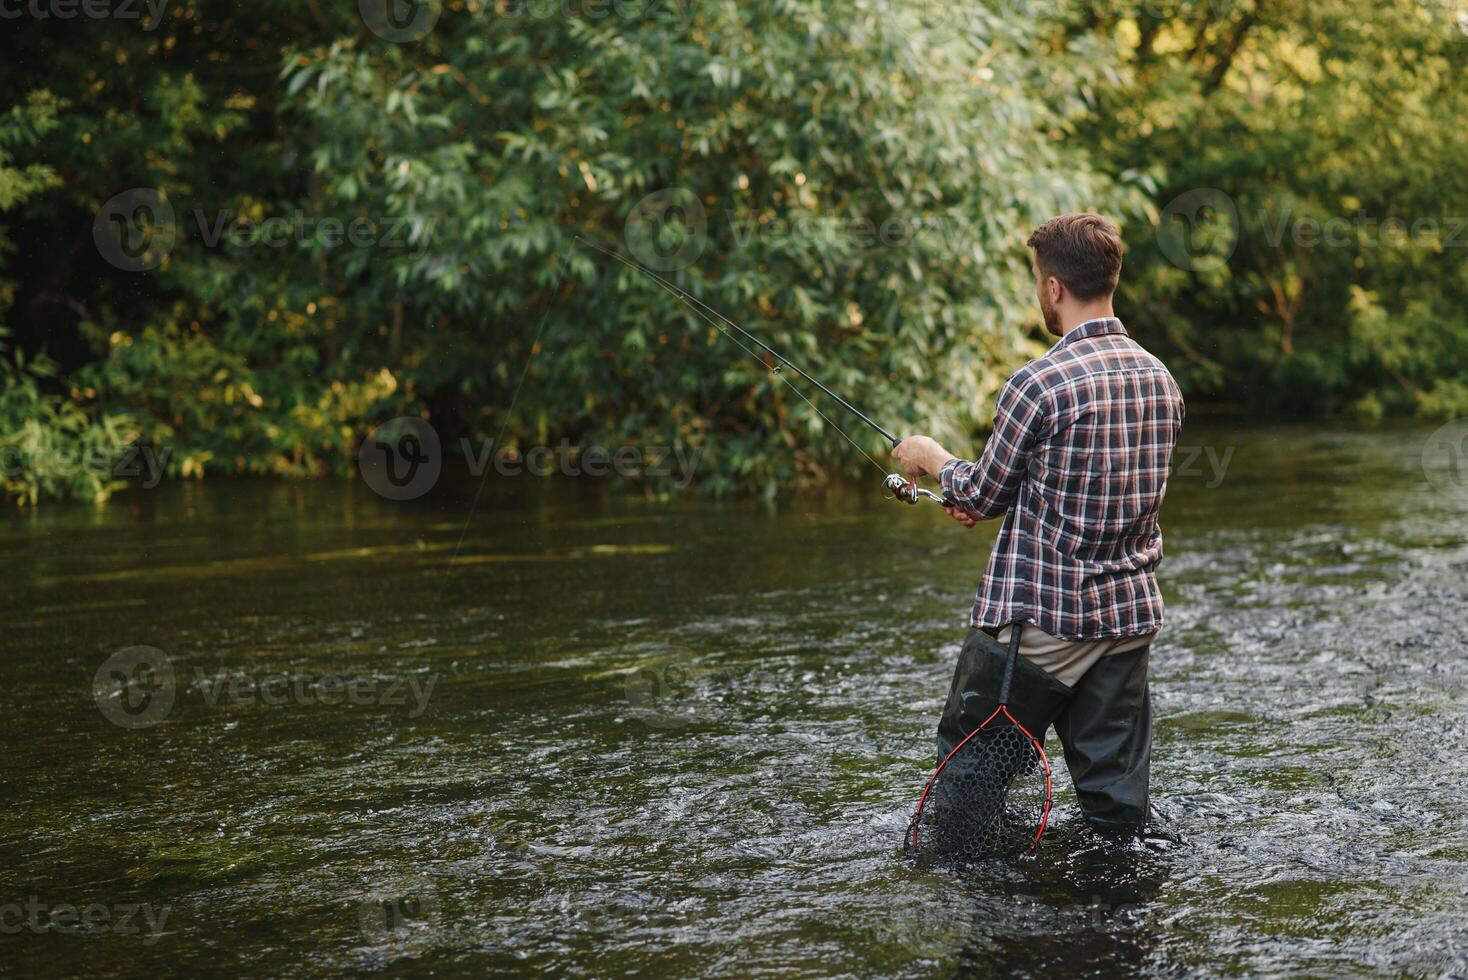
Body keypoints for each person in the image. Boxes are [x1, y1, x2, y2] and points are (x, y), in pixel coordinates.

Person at [891, 212, 1185, 836]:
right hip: (1127, 621)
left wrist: (929, 457)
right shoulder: (1162, 380)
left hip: (1040, 628)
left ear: (1052, 287)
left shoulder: (1038, 383)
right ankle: (1117, 921)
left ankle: (983, 916)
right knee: (1118, 815)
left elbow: (982, 491)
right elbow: (1081, 482)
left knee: (964, 794)